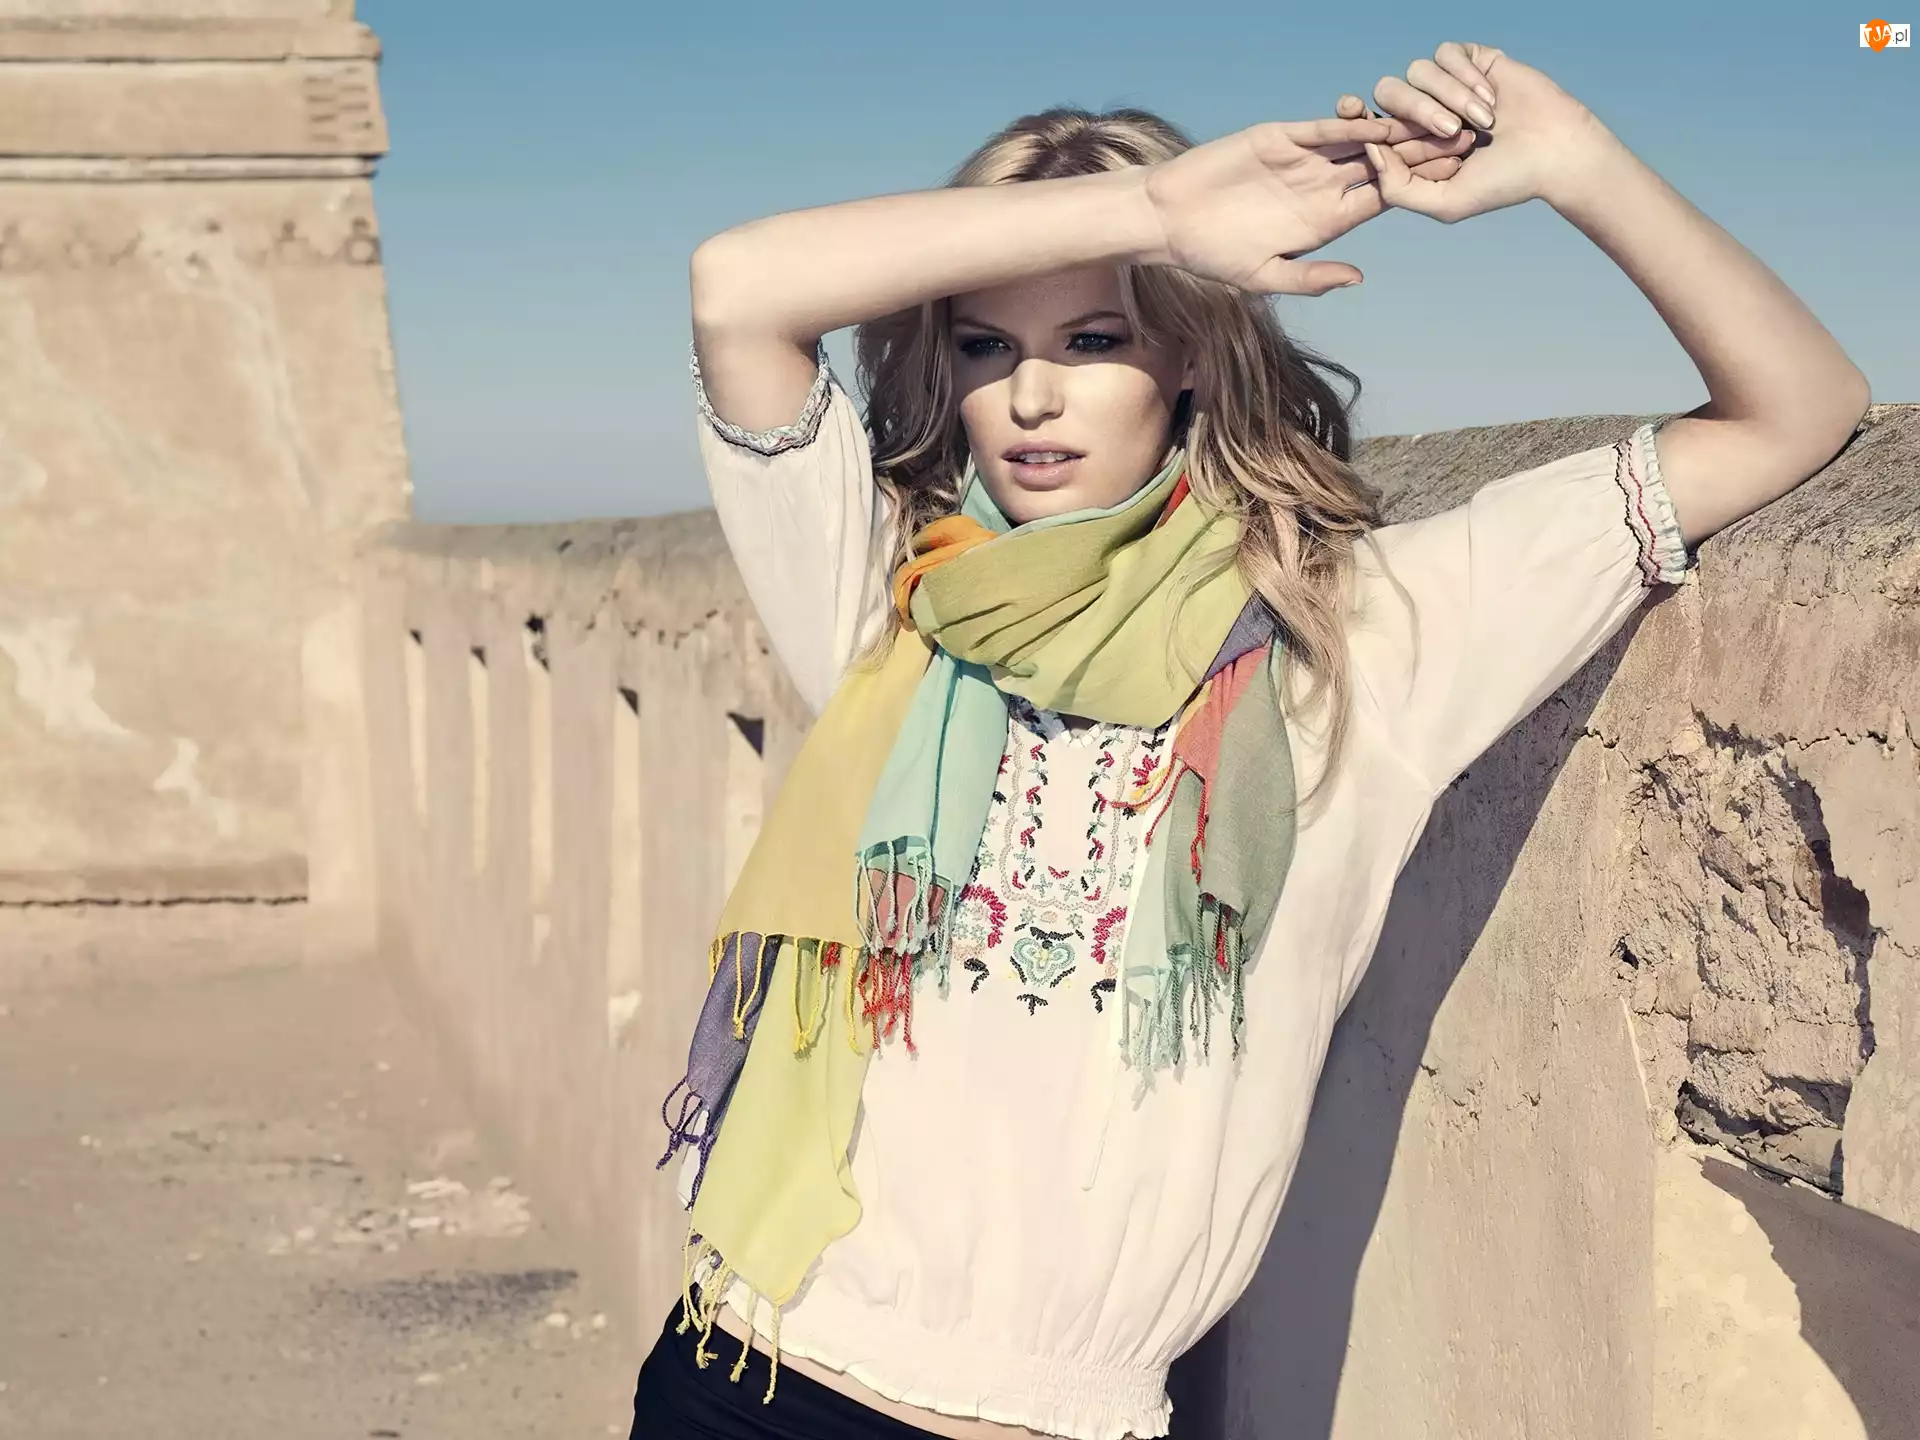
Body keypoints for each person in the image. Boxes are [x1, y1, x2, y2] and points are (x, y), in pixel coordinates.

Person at [629, 39, 1869, 1440]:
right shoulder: (893, 604)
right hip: (752, 1380)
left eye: (1094, 340)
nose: (1031, 397)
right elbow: (737, 291)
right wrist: (1151, 213)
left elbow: (1801, 409)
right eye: (986, 346)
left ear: (1186, 358)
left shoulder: (1364, 636)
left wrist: (1577, 160)